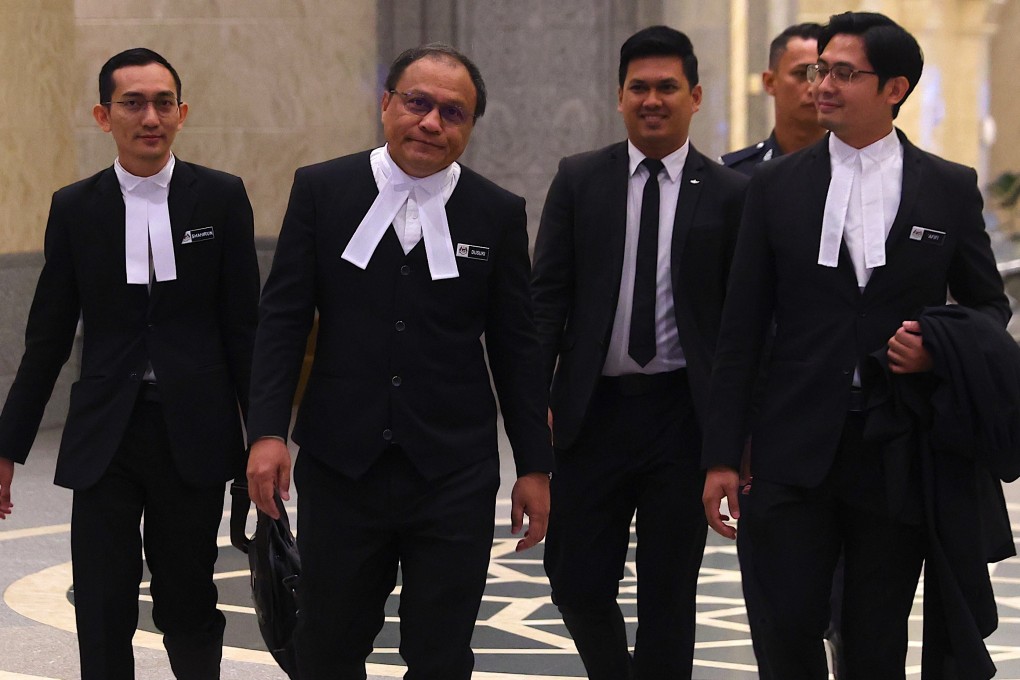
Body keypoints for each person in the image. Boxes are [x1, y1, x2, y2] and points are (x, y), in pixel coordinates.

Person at [701, 11, 1011, 679]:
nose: (823, 86)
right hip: (786, 449)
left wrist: (936, 344)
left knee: (875, 641)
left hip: (896, 449)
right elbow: (742, 326)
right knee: (783, 632)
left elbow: (989, 303)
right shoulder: (774, 187)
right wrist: (722, 453)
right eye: (818, 71)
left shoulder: (949, 188)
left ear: (894, 88)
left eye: (844, 73)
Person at [244, 43, 553, 679]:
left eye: (453, 112)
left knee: (441, 655)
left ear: (469, 127)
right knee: (326, 648)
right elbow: (281, 320)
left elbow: (517, 348)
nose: (432, 123)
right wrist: (267, 431)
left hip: (453, 470)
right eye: (418, 103)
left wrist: (535, 467)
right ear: (386, 105)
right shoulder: (323, 190)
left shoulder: (497, 213)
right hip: (341, 463)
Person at [0, 48, 259, 679]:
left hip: (193, 432)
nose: (150, 117)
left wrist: (267, 437)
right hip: (104, 436)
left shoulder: (221, 199)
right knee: (101, 600)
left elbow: (246, 333)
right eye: (133, 103)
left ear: (182, 113)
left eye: (163, 103)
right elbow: (48, 338)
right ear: (102, 115)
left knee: (189, 597)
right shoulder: (76, 207)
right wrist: (7, 448)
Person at [531, 25, 747, 679]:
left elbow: (739, 327)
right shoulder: (580, 180)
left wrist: (729, 442)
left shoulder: (732, 193)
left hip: (681, 418)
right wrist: (531, 402)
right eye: (639, 87)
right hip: (592, 413)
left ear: (696, 95)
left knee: (669, 595)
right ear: (619, 96)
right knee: (574, 580)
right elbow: (546, 300)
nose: (652, 99)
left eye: (667, 87)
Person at [720, 22, 837, 680]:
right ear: (769, 82)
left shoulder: (888, 182)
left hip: (858, 431)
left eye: (832, 72)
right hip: (767, 436)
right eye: (802, 73)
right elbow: (726, 325)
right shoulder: (736, 186)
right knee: (778, 615)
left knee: (858, 614)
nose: (818, 87)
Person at [721, 22, 825, 175]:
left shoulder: (852, 171)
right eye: (801, 74)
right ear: (770, 82)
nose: (814, 88)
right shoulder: (735, 175)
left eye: (822, 74)